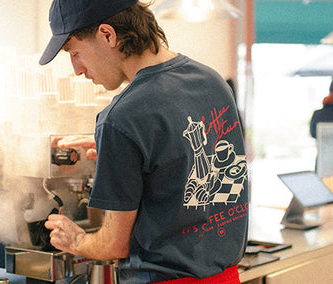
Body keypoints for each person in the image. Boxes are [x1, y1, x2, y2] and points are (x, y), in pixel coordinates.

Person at [40, 1, 249, 283]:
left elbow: (114, 245)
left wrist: (75, 240)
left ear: (107, 35)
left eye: (75, 52)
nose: (77, 69)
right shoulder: (213, 81)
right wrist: (125, 154)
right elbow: (195, 165)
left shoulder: (121, 117)